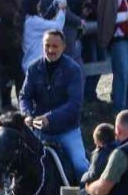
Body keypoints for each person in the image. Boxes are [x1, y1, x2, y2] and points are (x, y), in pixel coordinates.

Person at [19, 29, 87, 181]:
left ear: (63, 47)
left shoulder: (73, 70)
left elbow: (74, 104)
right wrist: (27, 115)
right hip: (39, 131)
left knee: (80, 166)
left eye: (55, 46)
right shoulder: (33, 68)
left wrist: (50, 118)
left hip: (67, 131)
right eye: (47, 46)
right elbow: (25, 96)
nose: (50, 50)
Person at [96, 0, 128, 111]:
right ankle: (119, 110)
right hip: (119, 39)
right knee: (122, 75)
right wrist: (124, 16)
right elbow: (104, 16)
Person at [80, 122, 116, 195]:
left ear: (99, 140)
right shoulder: (118, 150)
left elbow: (93, 173)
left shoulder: (99, 154)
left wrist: (84, 178)